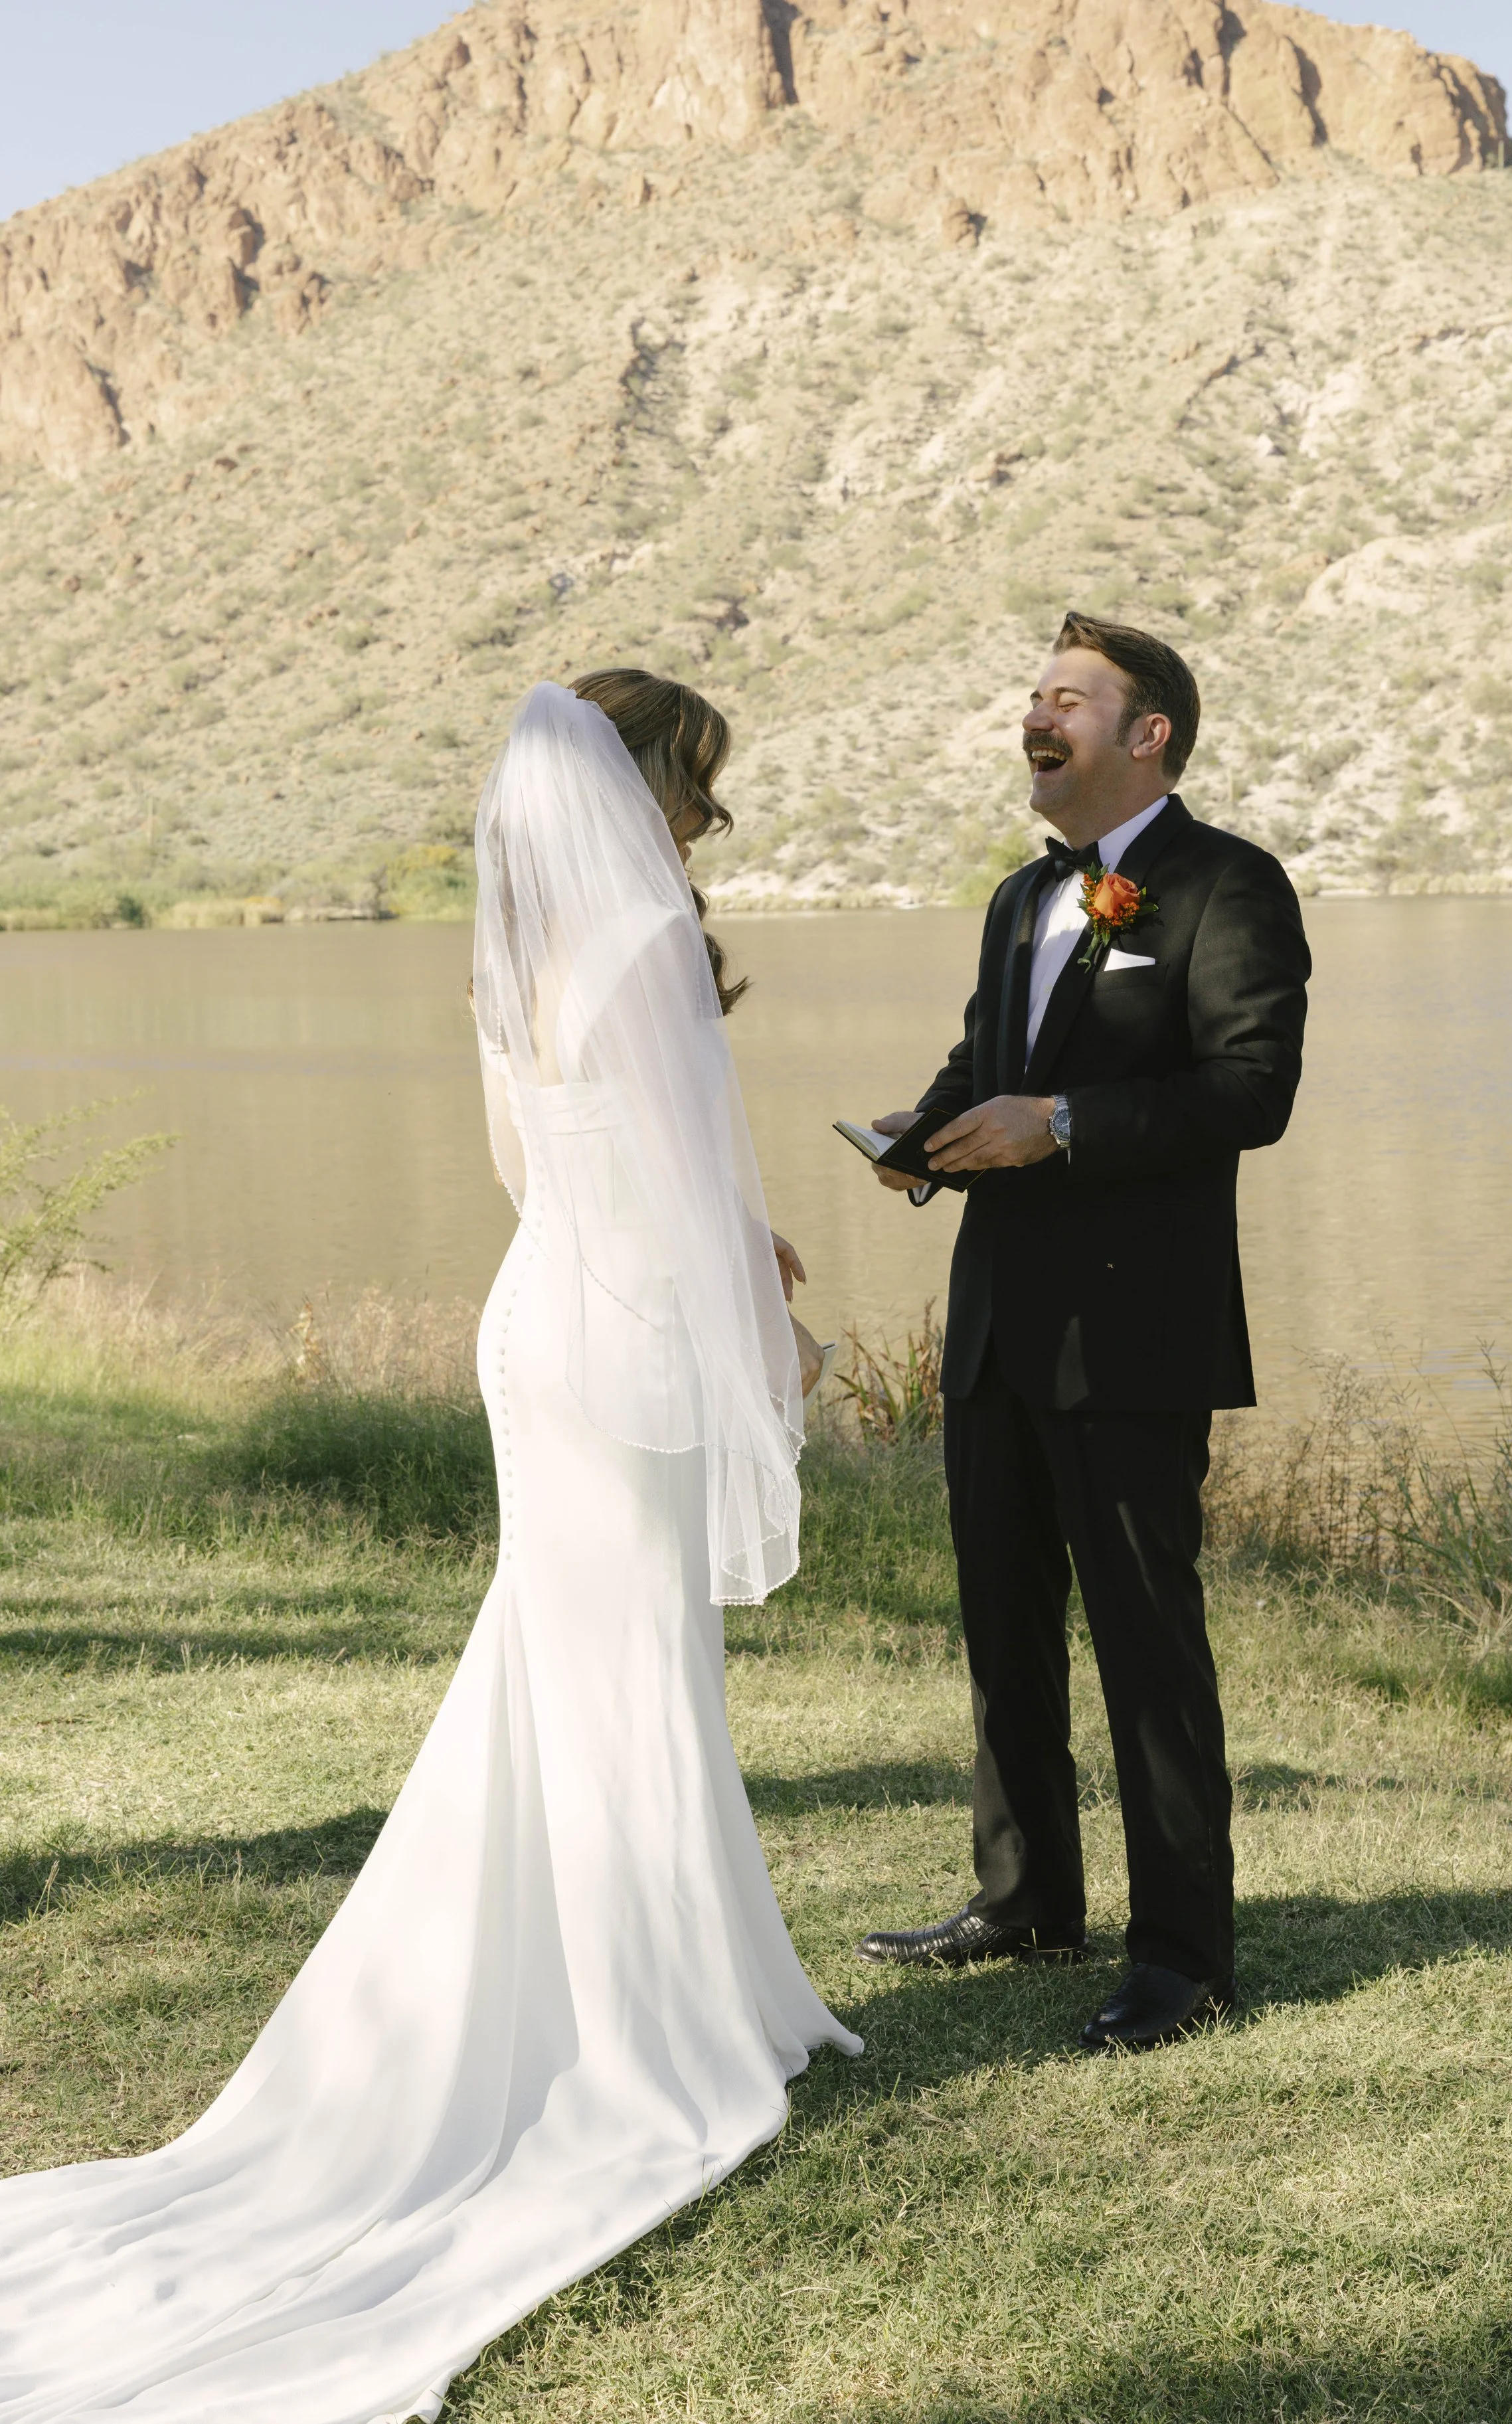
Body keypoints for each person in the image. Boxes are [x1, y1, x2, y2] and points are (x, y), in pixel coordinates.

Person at [0, 675, 858, 2421]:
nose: (704, 819)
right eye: (693, 784)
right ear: (633, 788)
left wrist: (718, 1257)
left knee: (566, 1671)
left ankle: (664, 1988)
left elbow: (544, 1165)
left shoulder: (525, 955)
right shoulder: (638, 952)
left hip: (538, 1311)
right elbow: (688, 1186)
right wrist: (773, 1346)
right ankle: (644, 2032)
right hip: (615, 1338)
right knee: (617, 1673)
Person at [856, 614, 1309, 2052]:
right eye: (1031, 698)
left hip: (1132, 1335)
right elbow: (986, 1056)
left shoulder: (1225, 884)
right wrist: (921, 1133)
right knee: (1000, 1632)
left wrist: (1055, 1125)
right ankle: (1022, 1899)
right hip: (996, 1324)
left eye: (1066, 699)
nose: (1032, 718)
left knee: (1143, 1646)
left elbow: (1248, 1093)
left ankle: (1180, 1954)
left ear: (1146, 734)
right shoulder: (1015, 898)